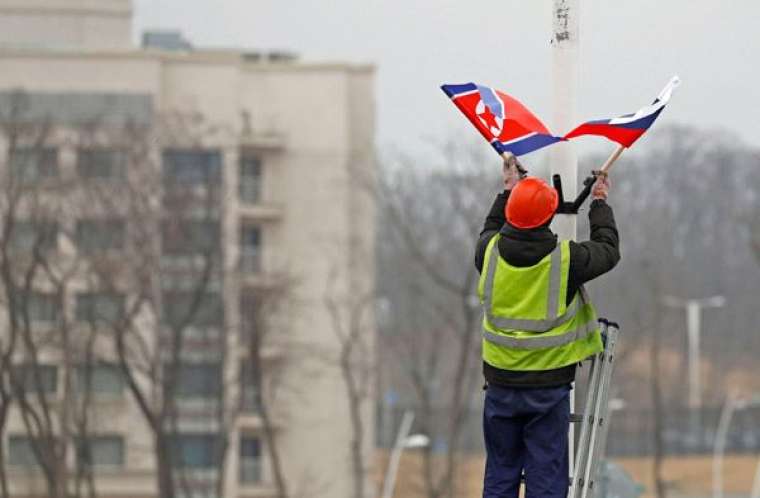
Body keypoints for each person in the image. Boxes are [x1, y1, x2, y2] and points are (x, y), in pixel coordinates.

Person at [475, 154, 620, 498]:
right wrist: (598, 203)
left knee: (500, 471)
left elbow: (490, 228)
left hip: (499, 383)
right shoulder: (567, 260)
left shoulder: (488, 252)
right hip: (548, 386)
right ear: (549, 217)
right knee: (546, 474)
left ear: (511, 212)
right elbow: (608, 250)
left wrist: (508, 190)